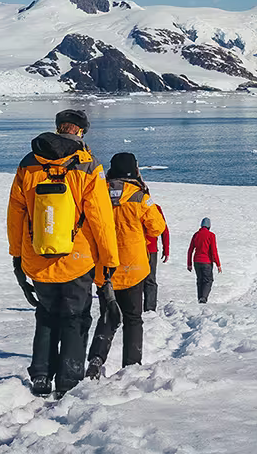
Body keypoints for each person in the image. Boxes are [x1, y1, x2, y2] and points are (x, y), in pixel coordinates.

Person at [7, 110, 119, 397]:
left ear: (58, 129)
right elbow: (101, 221)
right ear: (81, 132)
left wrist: (17, 256)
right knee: (76, 318)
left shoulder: (29, 163)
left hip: (37, 255)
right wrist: (108, 263)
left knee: (46, 315)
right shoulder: (87, 166)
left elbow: (16, 215)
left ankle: (41, 376)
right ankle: (68, 381)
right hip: (77, 259)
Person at [86, 153, 166, 379]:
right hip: (133, 269)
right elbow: (157, 227)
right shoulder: (139, 196)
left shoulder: (98, 192)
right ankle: (131, 367)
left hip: (105, 270)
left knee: (107, 317)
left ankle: (96, 359)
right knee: (133, 319)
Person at [143, 201, 170, 312]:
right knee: (150, 280)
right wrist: (166, 249)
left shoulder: (129, 205)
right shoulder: (155, 208)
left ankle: (134, 308)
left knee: (134, 280)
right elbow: (164, 230)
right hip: (150, 249)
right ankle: (149, 309)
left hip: (134, 249)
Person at [187, 218, 221, 303]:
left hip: (196, 261)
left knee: (200, 280)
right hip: (207, 261)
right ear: (209, 226)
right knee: (208, 280)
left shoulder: (196, 235)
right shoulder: (211, 235)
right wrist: (218, 264)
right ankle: (204, 298)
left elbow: (190, 250)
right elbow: (214, 250)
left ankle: (200, 298)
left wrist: (189, 264)